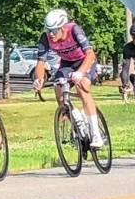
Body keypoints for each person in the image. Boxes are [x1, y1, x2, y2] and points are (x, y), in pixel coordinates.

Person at [33, 9, 104, 148]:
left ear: (63, 27)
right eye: (48, 30)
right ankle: (77, 127)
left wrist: (81, 72)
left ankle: (96, 134)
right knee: (59, 89)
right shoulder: (46, 37)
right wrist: (39, 79)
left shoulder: (74, 30)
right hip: (67, 64)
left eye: (54, 31)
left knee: (82, 86)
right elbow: (40, 62)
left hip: (84, 61)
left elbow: (90, 54)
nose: (51, 34)